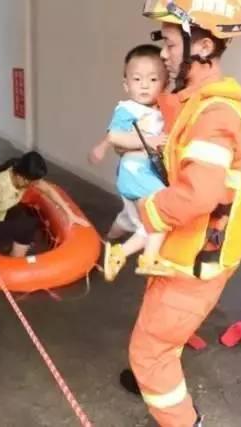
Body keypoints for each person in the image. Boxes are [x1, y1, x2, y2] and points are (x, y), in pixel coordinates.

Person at [119, 1, 241, 426]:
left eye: (172, 43)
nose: (164, 54)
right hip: (186, 249)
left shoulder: (214, 114)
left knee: (149, 350)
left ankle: (182, 418)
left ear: (205, 45)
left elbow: (198, 194)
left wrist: (147, 210)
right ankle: (156, 367)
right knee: (160, 334)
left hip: (196, 260)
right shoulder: (199, 103)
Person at [88, 44, 171, 281]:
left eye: (153, 79)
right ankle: (147, 258)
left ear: (165, 83)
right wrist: (150, 140)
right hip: (136, 172)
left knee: (146, 226)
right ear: (126, 85)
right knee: (163, 211)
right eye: (137, 79)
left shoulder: (159, 109)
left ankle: (117, 253)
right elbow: (115, 135)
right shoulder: (128, 108)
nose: (144, 85)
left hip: (141, 174)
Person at [0, 151, 90, 258]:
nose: (33, 185)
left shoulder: (20, 173)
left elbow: (48, 190)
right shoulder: (1, 184)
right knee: (27, 227)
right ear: (21, 177)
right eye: (31, 182)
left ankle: (16, 250)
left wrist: (70, 214)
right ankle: (14, 262)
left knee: (24, 214)